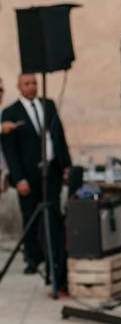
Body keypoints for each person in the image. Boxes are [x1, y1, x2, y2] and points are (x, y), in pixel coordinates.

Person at [1, 73, 72, 291]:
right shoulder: (10, 113)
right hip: (28, 175)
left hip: (51, 171)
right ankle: (33, 258)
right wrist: (18, 178)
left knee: (53, 215)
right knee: (30, 215)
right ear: (19, 86)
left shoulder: (48, 105)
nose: (31, 87)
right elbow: (10, 151)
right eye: (27, 84)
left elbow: (59, 135)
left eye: (34, 83)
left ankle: (54, 257)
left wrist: (66, 164)